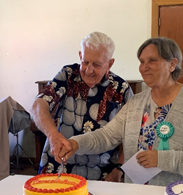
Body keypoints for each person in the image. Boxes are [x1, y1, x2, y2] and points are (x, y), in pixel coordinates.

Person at [59, 37, 183, 186]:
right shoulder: (135, 103)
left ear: (172, 64)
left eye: (152, 60)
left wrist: (163, 160)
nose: (144, 67)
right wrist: (75, 143)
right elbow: (106, 136)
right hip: (135, 194)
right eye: (142, 62)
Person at [30, 31, 133, 182]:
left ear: (110, 63)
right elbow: (38, 104)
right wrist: (52, 135)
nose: (88, 70)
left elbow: (129, 134)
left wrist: (119, 169)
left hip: (101, 172)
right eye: (85, 62)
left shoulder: (121, 89)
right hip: (58, 165)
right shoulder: (68, 75)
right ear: (80, 56)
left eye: (96, 65)